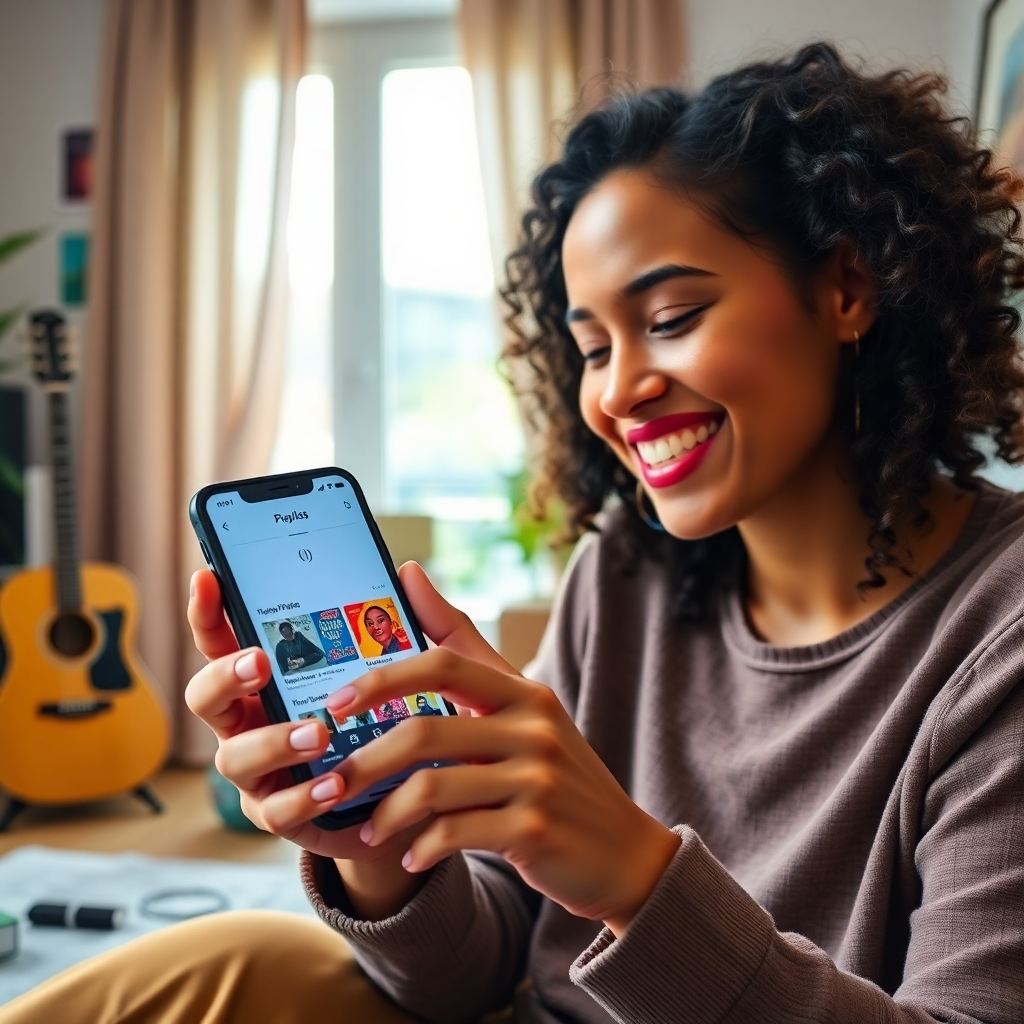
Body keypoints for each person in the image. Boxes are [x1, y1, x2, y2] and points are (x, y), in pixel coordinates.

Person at [4, 43, 1024, 1024]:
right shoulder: (624, 573)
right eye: (589, 347)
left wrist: (633, 874)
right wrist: (364, 836)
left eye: (670, 316)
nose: (617, 390)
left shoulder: (997, 629)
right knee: (218, 959)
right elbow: (475, 972)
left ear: (845, 288)